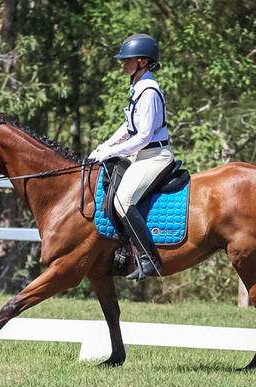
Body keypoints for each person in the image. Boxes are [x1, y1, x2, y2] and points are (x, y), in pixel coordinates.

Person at [89, 33, 174, 281]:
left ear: (143, 61)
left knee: (124, 200)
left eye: (128, 59)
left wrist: (113, 152)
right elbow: (129, 127)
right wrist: (105, 145)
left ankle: (149, 259)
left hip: (155, 155)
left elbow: (144, 136)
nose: (123, 63)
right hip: (142, 154)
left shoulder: (148, 90)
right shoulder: (136, 86)